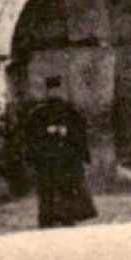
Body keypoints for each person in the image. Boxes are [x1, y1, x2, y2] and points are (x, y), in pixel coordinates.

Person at [23, 96, 97, 228]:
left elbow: (80, 130)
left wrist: (67, 132)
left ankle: (68, 216)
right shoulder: (37, 113)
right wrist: (46, 133)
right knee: (47, 188)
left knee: (67, 187)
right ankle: (48, 217)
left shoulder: (71, 112)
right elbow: (30, 135)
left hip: (66, 158)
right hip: (46, 158)